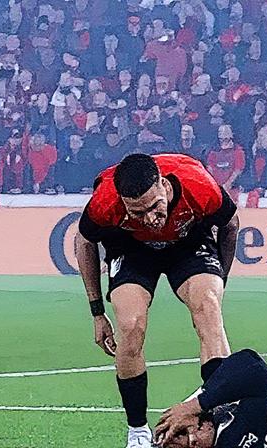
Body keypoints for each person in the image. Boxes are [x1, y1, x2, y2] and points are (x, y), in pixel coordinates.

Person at [74, 153, 240, 448]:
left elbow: (231, 225)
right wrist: (97, 312)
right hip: (131, 248)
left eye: (154, 206)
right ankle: (137, 432)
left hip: (188, 242)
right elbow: (84, 240)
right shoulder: (105, 201)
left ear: (163, 185)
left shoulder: (198, 185)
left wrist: (220, 281)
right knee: (130, 325)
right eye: (137, 212)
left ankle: (221, 420)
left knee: (208, 308)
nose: (150, 218)